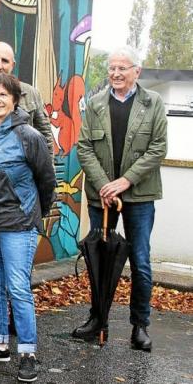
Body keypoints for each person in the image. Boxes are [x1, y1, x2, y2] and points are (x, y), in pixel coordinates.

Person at [73, 46, 167, 351]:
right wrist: (105, 185)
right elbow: (84, 148)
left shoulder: (153, 104)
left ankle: (139, 326)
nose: (115, 73)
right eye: (112, 68)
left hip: (139, 195)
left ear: (136, 71)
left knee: (140, 261)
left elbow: (158, 149)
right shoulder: (96, 104)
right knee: (99, 259)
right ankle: (98, 320)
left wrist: (124, 182)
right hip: (103, 197)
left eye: (122, 68)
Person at [0, 73, 55, 383]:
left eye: (4, 95)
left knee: (17, 287)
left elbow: (47, 180)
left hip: (17, 224)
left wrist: (33, 214)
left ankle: (27, 352)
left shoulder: (29, 135)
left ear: (15, 99)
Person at [0, 41, 53, 151]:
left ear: (13, 65)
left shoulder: (30, 93)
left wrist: (48, 167)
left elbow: (45, 136)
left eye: (5, 61)